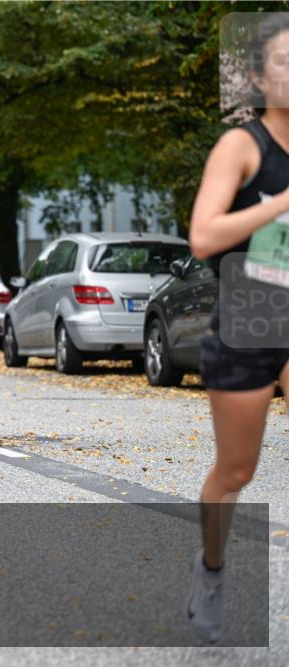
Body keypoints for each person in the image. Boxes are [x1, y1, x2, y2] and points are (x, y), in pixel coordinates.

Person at [186, 15, 289, 644]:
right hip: (253, 313)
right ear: (257, 77)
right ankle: (213, 567)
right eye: (283, 61)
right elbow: (203, 238)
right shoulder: (242, 146)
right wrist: (278, 203)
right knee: (236, 473)